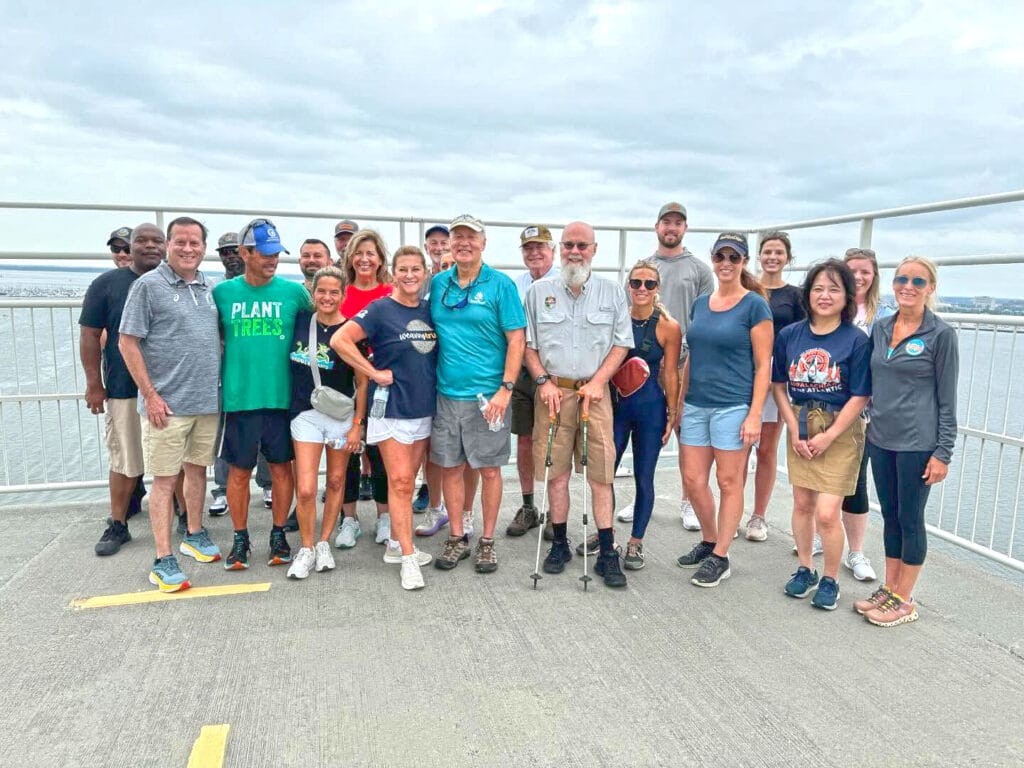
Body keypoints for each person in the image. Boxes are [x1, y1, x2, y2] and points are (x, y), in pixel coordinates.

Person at [525, 221, 632, 588]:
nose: (575, 251)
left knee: (601, 474)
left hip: (595, 394)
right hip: (553, 394)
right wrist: (542, 381)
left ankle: (606, 552)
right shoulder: (539, 292)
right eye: (569, 244)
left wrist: (600, 381)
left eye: (582, 246)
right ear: (560, 248)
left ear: (594, 249)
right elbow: (529, 345)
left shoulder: (612, 292)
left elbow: (621, 343)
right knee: (555, 473)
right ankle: (560, 544)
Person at [119, 217, 222, 592]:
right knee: (164, 481)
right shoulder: (148, 286)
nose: (188, 248)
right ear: (168, 244)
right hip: (167, 406)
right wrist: (150, 394)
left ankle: (193, 533)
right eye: (181, 241)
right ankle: (162, 558)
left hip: (207, 402)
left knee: (197, 472)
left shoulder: (209, 287)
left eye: (195, 242)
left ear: (203, 247)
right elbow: (127, 342)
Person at [856, 257, 958, 627]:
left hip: (918, 443)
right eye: (902, 279)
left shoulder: (940, 334)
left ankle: (905, 599)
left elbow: (947, 400)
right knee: (891, 516)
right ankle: (890, 587)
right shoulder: (881, 328)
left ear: (930, 288)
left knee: (911, 518)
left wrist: (943, 452)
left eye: (918, 281)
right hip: (881, 438)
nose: (908, 286)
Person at [333, 246, 439, 590]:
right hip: (391, 410)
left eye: (416, 269)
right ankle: (409, 557)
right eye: (403, 269)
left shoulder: (428, 308)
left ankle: (396, 543)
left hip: (424, 409)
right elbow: (340, 340)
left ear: (424, 274)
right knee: (402, 481)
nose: (410, 275)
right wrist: (372, 371)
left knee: (408, 482)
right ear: (393, 273)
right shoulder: (380, 309)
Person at [213, 218, 311, 570]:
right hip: (240, 398)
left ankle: (278, 533)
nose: (273, 260)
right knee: (239, 472)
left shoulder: (294, 293)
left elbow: (321, 329)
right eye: (265, 253)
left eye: (277, 254)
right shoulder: (222, 294)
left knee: (283, 469)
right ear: (245, 253)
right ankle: (240, 539)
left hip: (283, 399)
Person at [429, 214, 526, 572]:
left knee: (488, 470)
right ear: (449, 244)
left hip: (489, 397)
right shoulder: (439, 284)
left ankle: (487, 540)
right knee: (451, 467)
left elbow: (516, 338)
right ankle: (457, 537)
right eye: (457, 238)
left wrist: (505, 389)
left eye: (471, 237)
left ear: (483, 243)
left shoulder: (500, 285)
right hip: (446, 393)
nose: (463, 243)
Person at [773, 260, 871, 610]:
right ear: (807, 294)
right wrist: (791, 426)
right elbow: (779, 385)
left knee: (828, 512)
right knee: (802, 503)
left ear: (847, 297)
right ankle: (805, 568)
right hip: (800, 423)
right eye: (818, 288)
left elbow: (860, 395)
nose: (825, 296)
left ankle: (830, 578)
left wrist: (829, 437)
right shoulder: (790, 336)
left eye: (834, 289)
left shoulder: (856, 341)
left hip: (840, 427)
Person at [675, 233, 772, 588]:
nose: (727, 263)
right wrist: (680, 404)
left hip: (733, 406)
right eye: (721, 256)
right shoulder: (701, 304)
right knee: (693, 480)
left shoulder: (755, 306)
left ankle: (721, 557)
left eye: (734, 257)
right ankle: (710, 539)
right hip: (697, 404)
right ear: (713, 260)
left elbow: (764, 365)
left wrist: (754, 413)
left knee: (728, 481)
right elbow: (692, 357)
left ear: (744, 262)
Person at [81, 224, 164, 556]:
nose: (149, 246)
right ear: (130, 247)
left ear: (166, 246)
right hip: (123, 388)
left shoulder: (178, 282)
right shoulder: (106, 285)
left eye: (156, 241)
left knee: (174, 462)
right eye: (141, 241)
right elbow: (90, 335)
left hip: (171, 390)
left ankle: (187, 520)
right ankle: (118, 523)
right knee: (125, 460)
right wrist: (93, 385)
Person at [284, 266, 364, 579]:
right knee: (305, 489)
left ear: (343, 295)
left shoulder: (352, 330)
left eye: (334, 292)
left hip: (341, 416)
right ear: (312, 293)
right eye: (322, 291)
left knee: (335, 481)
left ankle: (323, 542)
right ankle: (305, 547)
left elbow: (363, 379)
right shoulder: (301, 320)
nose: (327, 297)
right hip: (305, 413)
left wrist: (358, 423)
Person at [611, 260, 681, 570]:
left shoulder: (669, 326)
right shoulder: (616, 319)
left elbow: (672, 373)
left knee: (644, 476)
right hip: (616, 407)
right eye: (636, 283)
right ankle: (605, 533)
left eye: (649, 284)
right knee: (604, 473)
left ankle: (636, 542)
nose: (642, 289)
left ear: (658, 289)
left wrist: (672, 414)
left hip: (651, 407)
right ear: (628, 286)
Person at [650, 202, 715, 531]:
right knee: (647, 430)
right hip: (650, 362)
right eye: (666, 222)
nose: (671, 228)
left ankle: (688, 500)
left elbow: (704, 318)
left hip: (686, 362)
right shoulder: (645, 267)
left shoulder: (701, 271)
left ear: (685, 228)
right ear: (657, 226)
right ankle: (642, 495)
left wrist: (683, 355)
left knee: (685, 433)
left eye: (678, 223)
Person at [332, 230, 394, 549]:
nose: (365, 259)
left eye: (371, 253)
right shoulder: (340, 294)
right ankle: (350, 519)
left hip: (382, 385)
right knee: (347, 454)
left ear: (381, 258)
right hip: (345, 384)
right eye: (358, 253)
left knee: (380, 453)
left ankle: (385, 518)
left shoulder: (391, 292)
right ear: (349, 258)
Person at [744, 231, 806, 542]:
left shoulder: (796, 296)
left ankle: (758, 516)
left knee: (767, 449)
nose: (772, 257)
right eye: (767, 251)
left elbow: (800, 339)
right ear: (759, 256)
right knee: (738, 449)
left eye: (778, 252)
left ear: (787, 258)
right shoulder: (746, 288)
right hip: (744, 374)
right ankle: (731, 508)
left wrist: (779, 377)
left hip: (776, 377)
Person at [839, 247, 896, 581]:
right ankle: (821, 532)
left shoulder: (885, 315)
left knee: (856, 483)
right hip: (827, 405)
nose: (858, 277)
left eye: (865, 272)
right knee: (818, 478)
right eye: (853, 271)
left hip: (864, 413)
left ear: (874, 276)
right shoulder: (829, 307)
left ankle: (855, 551)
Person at [208, 230, 272, 517]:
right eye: (224, 252)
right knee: (227, 435)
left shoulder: (275, 287)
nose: (230, 256)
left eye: (234, 250)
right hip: (228, 375)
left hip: (263, 375)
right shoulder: (216, 291)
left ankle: (267, 484)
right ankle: (220, 490)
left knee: (268, 430)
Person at [506, 225, 560, 539]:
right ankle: (529, 506)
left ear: (552, 250)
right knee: (524, 439)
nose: (534, 253)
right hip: (523, 370)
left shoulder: (564, 282)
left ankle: (556, 509)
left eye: (540, 247)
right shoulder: (516, 285)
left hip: (554, 371)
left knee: (555, 442)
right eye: (528, 248)